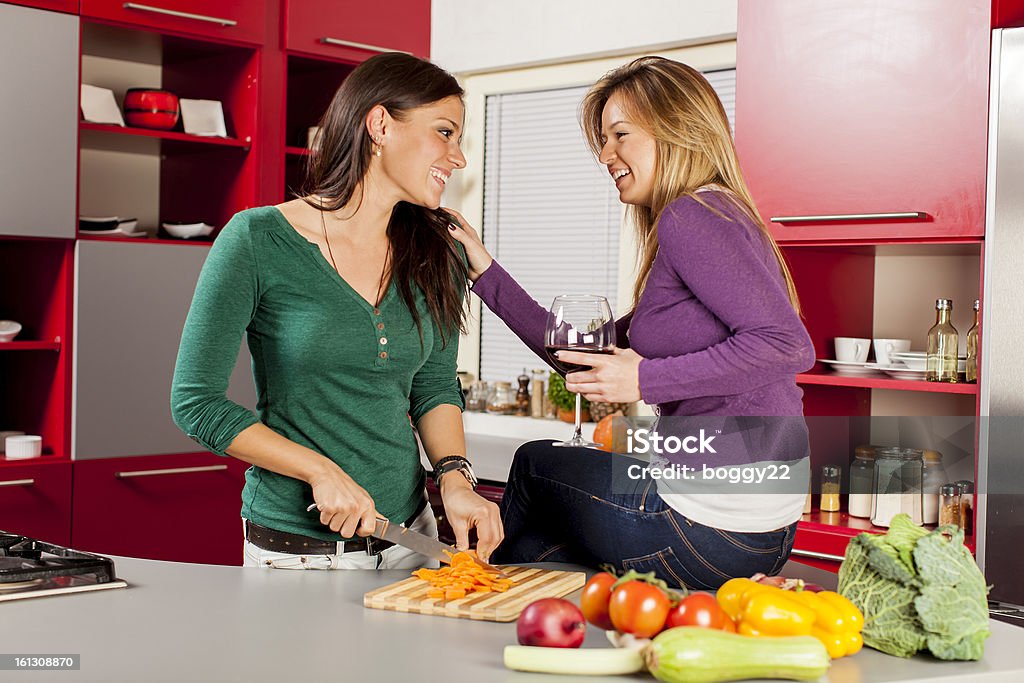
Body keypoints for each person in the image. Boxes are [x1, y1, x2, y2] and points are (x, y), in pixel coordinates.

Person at [447, 56, 815, 589]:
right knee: (549, 546)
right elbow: (582, 353)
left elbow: (785, 345)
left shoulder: (693, 215)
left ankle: (474, 587)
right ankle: (519, 598)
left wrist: (643, 380)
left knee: (533, 463)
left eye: (620, 134)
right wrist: (483, 269)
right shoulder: (716, 217)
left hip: (709, 527)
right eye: (603, 139)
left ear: (678, 131)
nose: (605, 154)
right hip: (756, 535)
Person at [171, 53, 502, 571]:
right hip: (296, 553)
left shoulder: (438, 251)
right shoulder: (257, 239)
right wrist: (318, 471)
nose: (457, 158)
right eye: (445, 132)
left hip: (412, 541)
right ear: (379, 125)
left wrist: (456, 479)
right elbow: (196, 403)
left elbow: (434, 387)